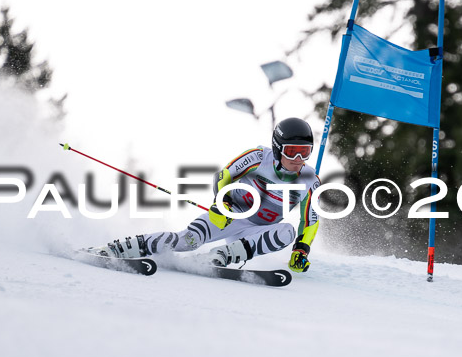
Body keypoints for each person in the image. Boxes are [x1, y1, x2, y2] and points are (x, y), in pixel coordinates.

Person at [95, 117, 320, 273]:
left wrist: (301, 250)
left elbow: (310, 220)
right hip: (231, 215)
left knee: (287, 232)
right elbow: (223, 176)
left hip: (256, 233)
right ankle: (119, 248)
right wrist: (220, 204)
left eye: (305, 152)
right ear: (278, 147)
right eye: (292, 151)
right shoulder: (258, 157)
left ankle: (220, 256)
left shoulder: (310, 180)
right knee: (188, 240)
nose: (298, 159)